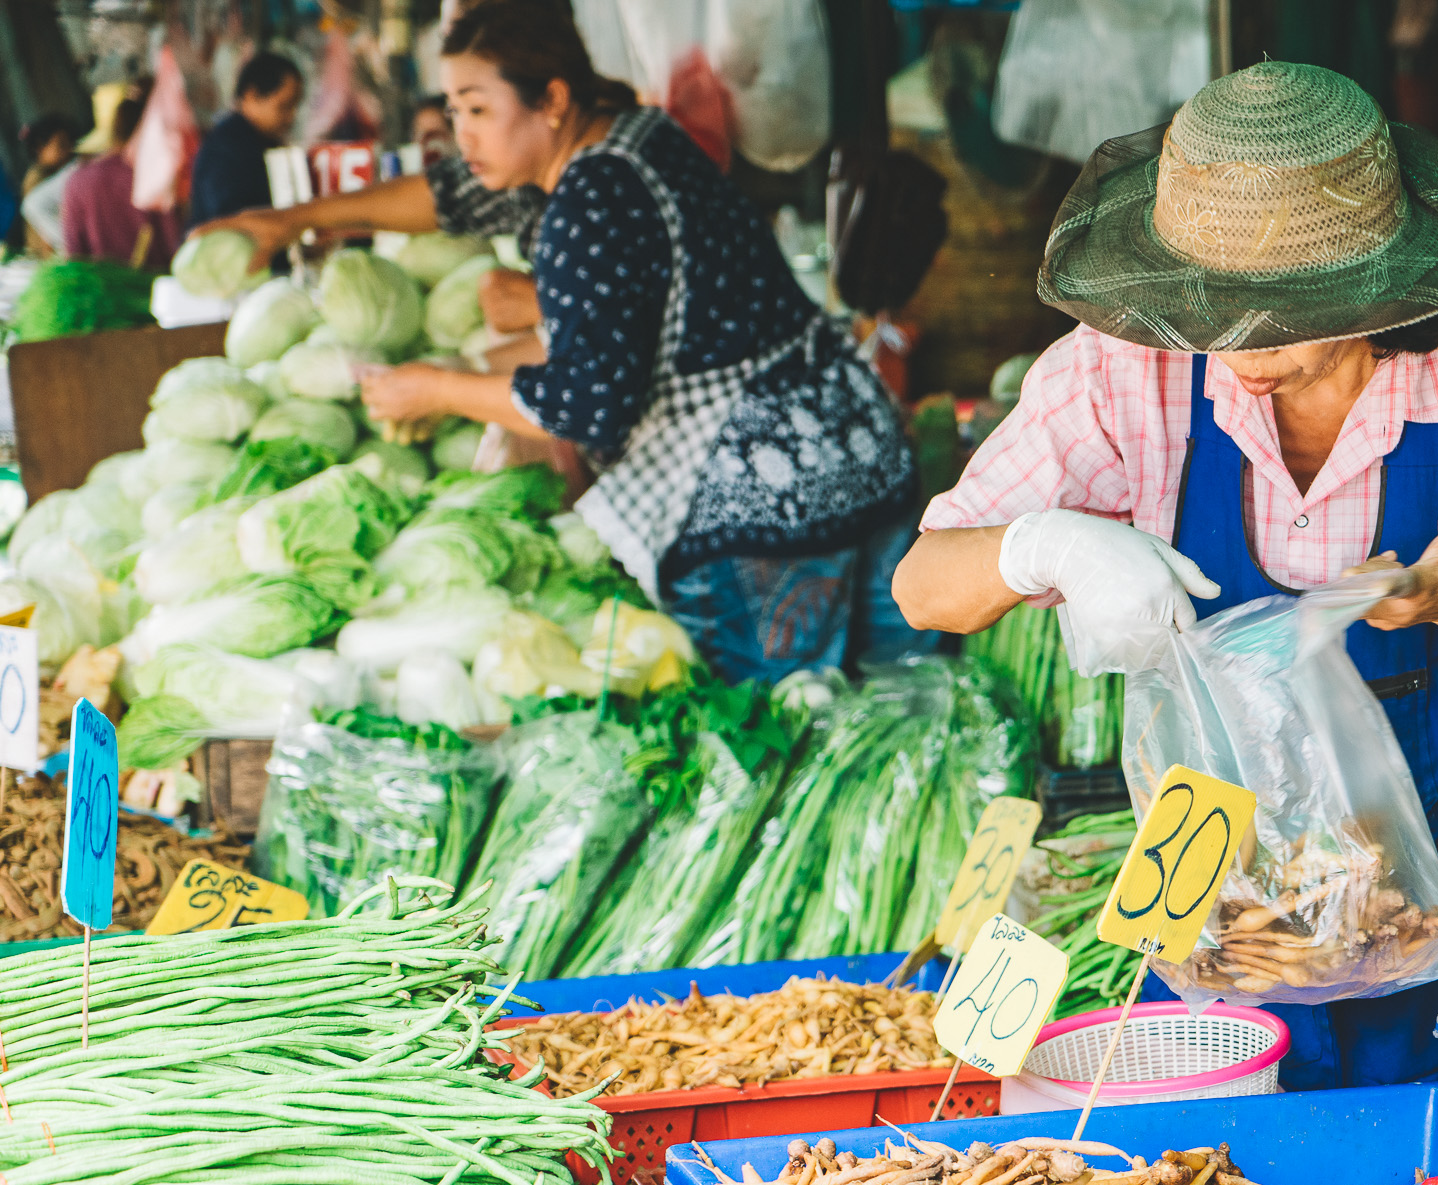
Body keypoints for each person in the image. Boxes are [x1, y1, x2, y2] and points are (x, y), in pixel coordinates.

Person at [896, 63, 1438, 1089]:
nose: (1238, 344)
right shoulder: (1129, 358)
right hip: (1226, 914)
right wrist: (1044, 546)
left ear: (1379, 279)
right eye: (1211, 304)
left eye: (1285, 310)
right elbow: (923, 585)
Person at [196, 0, 926, 683]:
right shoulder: (628, 136)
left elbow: (588, 406)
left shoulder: (589, 198)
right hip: (859, 455)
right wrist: (291, 221)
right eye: (454, 111)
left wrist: (437, 386)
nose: (462, 136)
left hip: (764, 511)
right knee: (899, 725)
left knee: (786, 753)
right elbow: (452, 195)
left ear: (550, 99)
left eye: (479, 110)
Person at [63, 90, 179, 268]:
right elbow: (173, 240)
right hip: (152, 282)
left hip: (99, 287)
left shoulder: (77, 181)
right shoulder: (152, 175)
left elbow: (74, 251)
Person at [188, 52, 303, 227]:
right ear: (251, 95)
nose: (291, 118)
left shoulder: (263, 143)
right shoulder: (227, 147)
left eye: (295, 107)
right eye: (284, 106)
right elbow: (229, 219)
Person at [17, 114, 78, 256]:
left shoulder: (58, 169)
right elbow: (44, 232)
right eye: (61, 145)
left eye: (69, 143)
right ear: (40, 148)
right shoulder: (36, 179)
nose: (68, 149)